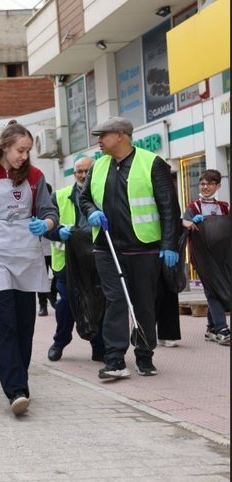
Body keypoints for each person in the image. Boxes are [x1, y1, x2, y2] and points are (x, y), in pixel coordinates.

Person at [0, 120, 58, 416]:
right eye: (20, 150)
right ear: (5, 147)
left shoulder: (35, 176)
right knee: (5, 322)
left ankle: (21, 381)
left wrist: (46, 224)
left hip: (27, 251)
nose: (24, 156)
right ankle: (15, 389)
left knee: (25, 324)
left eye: (28, 151)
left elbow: (49, 211)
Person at [79, 116, 180, 379]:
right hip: (107, 247)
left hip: (144, 247)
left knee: (143, 302)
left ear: (121, 135)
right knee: (115, 301)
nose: (99, 141)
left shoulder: (152, 163)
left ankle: (145, 355)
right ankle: (114, 359)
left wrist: (169, 244)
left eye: (103, 135)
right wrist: (90, 211)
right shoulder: (98, 166)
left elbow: (169, 207)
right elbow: (84, 197)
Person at [45, 157, 105, 362]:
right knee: (66, 305)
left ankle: (99, 345)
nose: (83, 175)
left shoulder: (102, 195)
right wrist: (58, 232)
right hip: (67, 263)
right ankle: (60, 341)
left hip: (96, 260)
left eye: (87, 171)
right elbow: (48, 228)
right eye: (79, 171)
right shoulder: (59, 197)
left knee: (98, 303)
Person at [183, 169, 230, 345]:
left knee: (218, 288)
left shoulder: (225, 207)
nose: (205, 186)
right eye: (202, 183)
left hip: (222, 257)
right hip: (202, 257)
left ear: (218, 185)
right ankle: (222, 329)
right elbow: (184, 221)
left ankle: (211, 328)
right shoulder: (193, 206)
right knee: (212, 290)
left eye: (210, 183)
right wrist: (191, 222)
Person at [37, 183, 57, 316]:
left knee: (58, 276)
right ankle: (43, 305)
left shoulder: (55, 207)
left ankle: (53, 296)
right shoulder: (35, 208)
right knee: (41, 278)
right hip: (40, 250)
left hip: (55, 249)